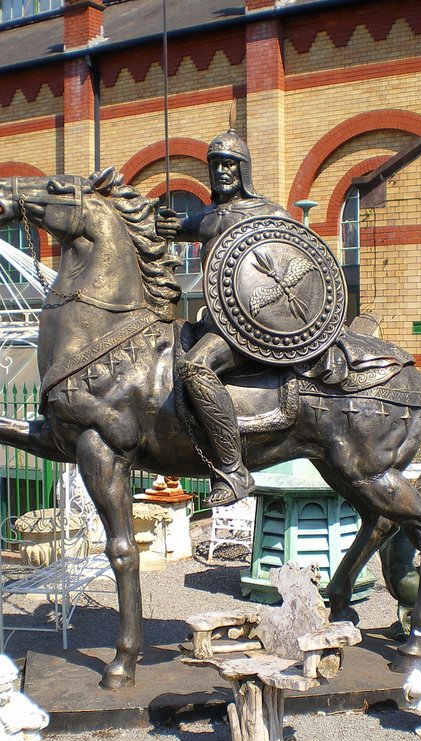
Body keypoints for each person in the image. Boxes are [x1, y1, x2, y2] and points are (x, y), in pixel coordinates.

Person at [157, 129, 292, 507]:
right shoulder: (209, 217)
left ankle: (233, 471)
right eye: (215, 165)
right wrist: (161, 223)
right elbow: (177, 228)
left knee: (196, 367)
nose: (221, 171)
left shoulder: (269, 213)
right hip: (217, 320)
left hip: (255, 325)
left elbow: (296, 261)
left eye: (229, 164)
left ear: (243, 169)